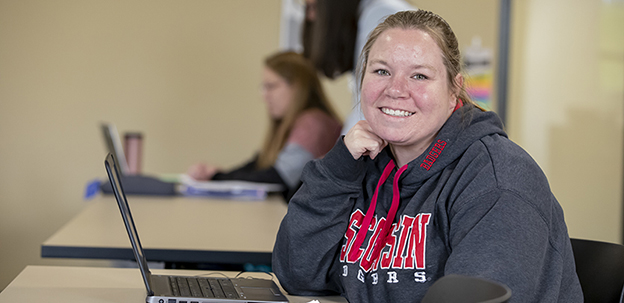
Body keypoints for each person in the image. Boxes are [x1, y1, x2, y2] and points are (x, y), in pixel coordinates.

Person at [273, 10, 582, 302]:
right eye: (381, 71)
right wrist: (338, 169)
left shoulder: (498, 180)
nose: (395, 90)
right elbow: (297, 274)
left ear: (453, 90)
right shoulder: (361, 166)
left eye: (419, 76)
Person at [187, 51, 342, 200]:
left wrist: (217, 178)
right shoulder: (299, 121)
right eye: (263, 87)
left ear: (297, 87)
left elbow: (278, 177)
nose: (264, 96)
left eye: (271, 86)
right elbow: (260, 164)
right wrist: (218, 175)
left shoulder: (313, 123)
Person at [302, 0, 415, 134]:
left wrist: (341, 152)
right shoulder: (372, 14)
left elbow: (370, 113)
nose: (311, 17)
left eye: (314, 7)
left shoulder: (380, 14)